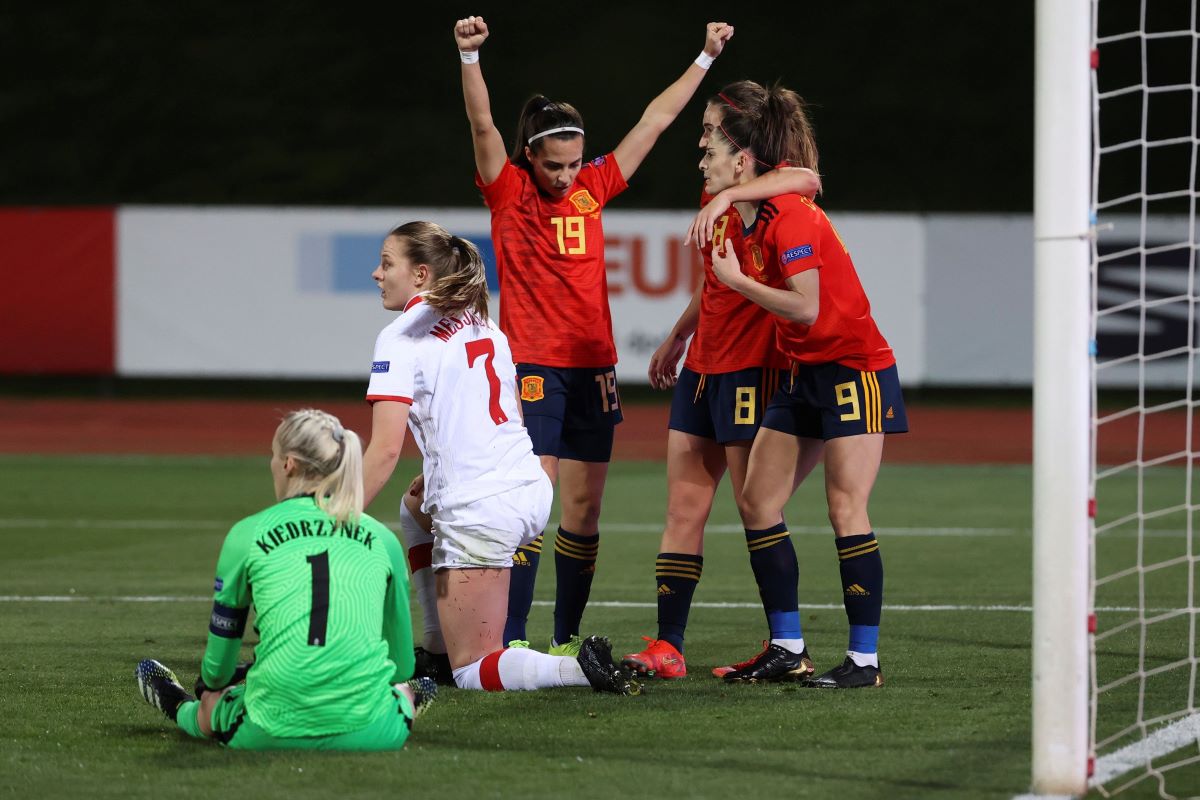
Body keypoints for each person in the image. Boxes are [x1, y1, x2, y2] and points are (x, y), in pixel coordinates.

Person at [454, 15, 734, 655]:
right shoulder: (509, 192)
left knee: (584, 513)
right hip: (533, 367)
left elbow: (654, 122)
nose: (566, 175)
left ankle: (564, 639)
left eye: (575, 164)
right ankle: (513, 642)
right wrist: (470, 59)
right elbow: (482, 126)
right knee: (532, 507)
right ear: (532, 156)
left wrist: (704, 56)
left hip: (594, 369)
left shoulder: (592, 187)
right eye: (555, 165)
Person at [360, 220, 640, 695]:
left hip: (482, 508)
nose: (376, 274)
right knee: (413, 510)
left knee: (476, 670)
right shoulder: (481, 320)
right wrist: (436, 475)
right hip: (529, 488)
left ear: (422, 275)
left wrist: (331, 519)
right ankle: (436, 649)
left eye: (388, 264)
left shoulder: (401, 336)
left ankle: (577, 668)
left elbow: (385, 450)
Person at [705, 85, 908, 687]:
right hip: (801, 374)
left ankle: (864, 662)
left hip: (854, 369)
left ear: (740, 162)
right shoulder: (749, 215)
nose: (702, 160)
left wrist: (737, 283)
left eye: (709, 150)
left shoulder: (787, 214)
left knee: (845, 507)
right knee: (756, 502)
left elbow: (807, 309)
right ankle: (788, 647)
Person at [620, 81, 823, 680]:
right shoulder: (719, 194)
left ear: (744, 152)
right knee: (683, 507)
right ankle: (669, 645)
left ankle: (788, 644)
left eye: (710, 130)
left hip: (750, 370)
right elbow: (714, 282)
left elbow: (808, 179)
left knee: (756, 508)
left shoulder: (774, 197)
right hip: (703, 370)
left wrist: (726, 198)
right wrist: (679, 336)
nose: (700, 141)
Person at [133, 409, 436, 749]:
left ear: (289, 463)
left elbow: (216, 671)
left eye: (273, 457)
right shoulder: (381, 538)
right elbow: (401, 665)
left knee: (213, 704)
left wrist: (218, 684)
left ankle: (178, 704)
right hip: (376, 734)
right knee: (402, 689)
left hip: (267, 731)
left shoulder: (247, 534)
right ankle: (402, 704)